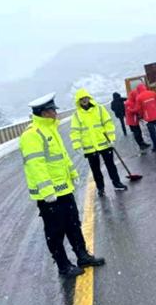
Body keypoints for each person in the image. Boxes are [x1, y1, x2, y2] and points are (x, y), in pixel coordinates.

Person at [19, 92, 105, 278]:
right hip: (50, 196)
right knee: (55, 232)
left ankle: (82, 256)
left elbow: (62, 157)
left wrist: (72, 173)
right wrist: (47, 191)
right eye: (52, 111)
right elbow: (36, 165)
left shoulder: (51, 130)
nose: (56, 114)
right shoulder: (32, 135)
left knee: (74, 224)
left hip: (64, 189)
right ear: (44, 113)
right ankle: (63, 266)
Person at [70, 88, 128, 197]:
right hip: (90, 148)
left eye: (85, 98)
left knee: (111, 165)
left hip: (104, 143)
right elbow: (75, 131)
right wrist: (77, 145)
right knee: (95, 170)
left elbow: (108, 124)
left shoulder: (100, 109)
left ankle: (117, 183)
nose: (84, 100)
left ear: (89, 98)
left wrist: (111, 138)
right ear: (78, 101)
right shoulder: (76, 115)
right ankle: (100, 188)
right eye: (81, 99)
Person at [135, 83, 156, 151]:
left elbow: (139, 109)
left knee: (152, 133)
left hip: (148, 118)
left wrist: (141, 116)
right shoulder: (152, 93)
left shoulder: (139, 97)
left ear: (138, 90)